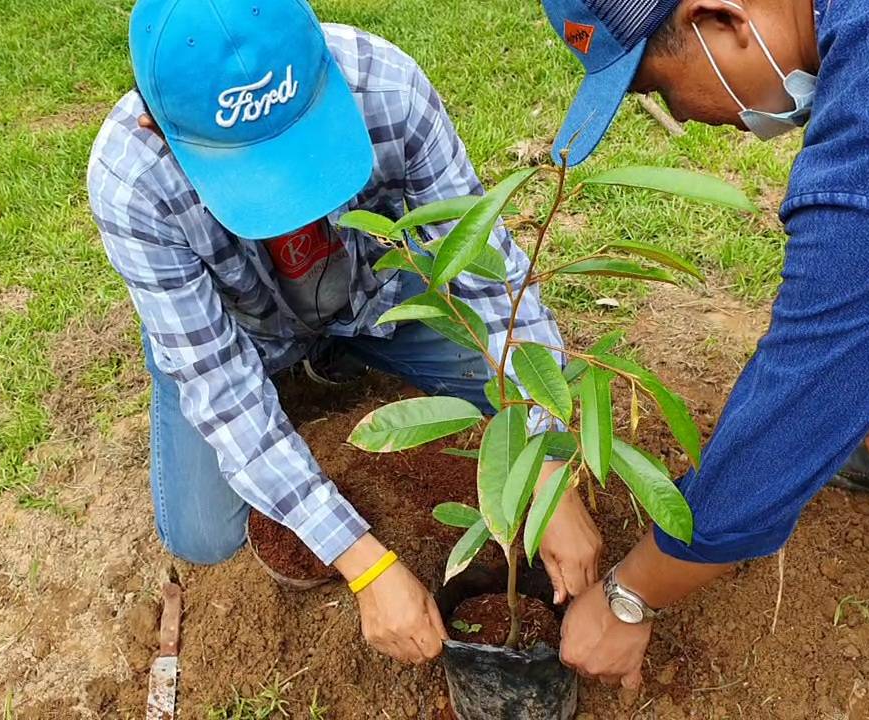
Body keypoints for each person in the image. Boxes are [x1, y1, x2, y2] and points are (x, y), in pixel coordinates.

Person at [537, 0, 869, 688]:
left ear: (721, 18)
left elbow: (792, 416)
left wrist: (628, 598)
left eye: (660, 89)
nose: (688, 115)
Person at [86, 0, 602, 665]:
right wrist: (362, 563)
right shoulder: (134, 181)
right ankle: (301, 365)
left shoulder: (385, 87)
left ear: (321, 66)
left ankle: (338, 353)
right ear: (156, 124)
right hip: (244, 338)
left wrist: (548, 462)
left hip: (377, 300)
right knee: (202, 535)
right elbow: (220, 386)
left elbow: (487, 276)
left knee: (521, 381)